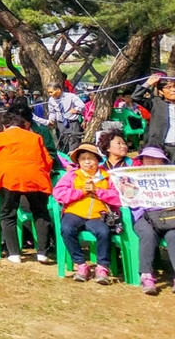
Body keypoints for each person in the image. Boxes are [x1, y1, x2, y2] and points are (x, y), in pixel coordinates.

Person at [0, 105, 55, 264]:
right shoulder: (35, 137)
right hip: (36, 178)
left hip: (9, 178)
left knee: (8, 214)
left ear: (4, 126)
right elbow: (48, 161)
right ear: (24, 125)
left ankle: (14, 253)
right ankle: (42, 252)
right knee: (40, 213)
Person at [52, 143, 121, 284]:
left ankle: (102, 267)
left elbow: (118, 197)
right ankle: (81, 264)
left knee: (103, 232)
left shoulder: (107, 177)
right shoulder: (72, 175)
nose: (87, 162)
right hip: (74, 211)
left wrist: (98, 191)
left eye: (91, 158)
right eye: (83, 159)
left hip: (98, 214)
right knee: (66, 229)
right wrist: (81, 191)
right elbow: (59, 194)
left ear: (97, 160)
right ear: (78, 162)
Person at [127, 146, 175, 295]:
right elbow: (128, 198)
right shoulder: (133, 176)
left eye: (155, 158)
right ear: (142, 161)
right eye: (148, 158)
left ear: (163, 161)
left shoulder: (171, 176)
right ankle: (146, 275)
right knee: (147, 234)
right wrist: (127, 187)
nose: (152, 161)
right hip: (145, 216)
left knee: (174, 236)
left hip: (169, 216)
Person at [132, 73, 175, 162]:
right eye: (168, 87)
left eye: (174, 87)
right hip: (164, 147)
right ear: (161, 92)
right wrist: (148, 83)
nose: (173, 90)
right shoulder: (156, 103)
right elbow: (136, 97)